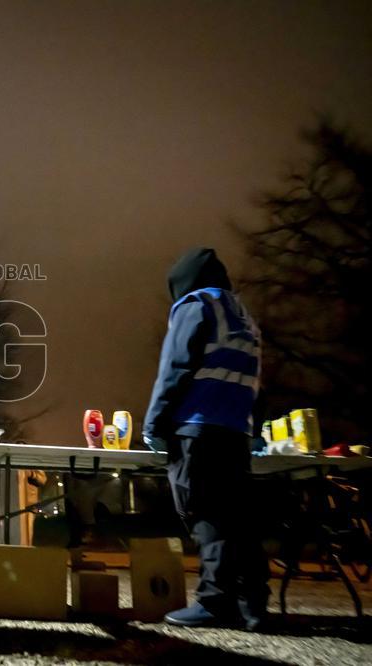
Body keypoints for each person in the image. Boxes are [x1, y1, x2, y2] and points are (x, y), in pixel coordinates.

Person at [142, 247, 269, 630]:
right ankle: (253, 606)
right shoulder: (244, 318)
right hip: (235, 431)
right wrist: (254, 431)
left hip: (196, 429)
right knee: (239, 519)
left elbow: (175, 369)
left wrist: (154, 424)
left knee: (206, 515)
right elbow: (256, 383)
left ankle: (215, 602)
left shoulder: (194, 307)